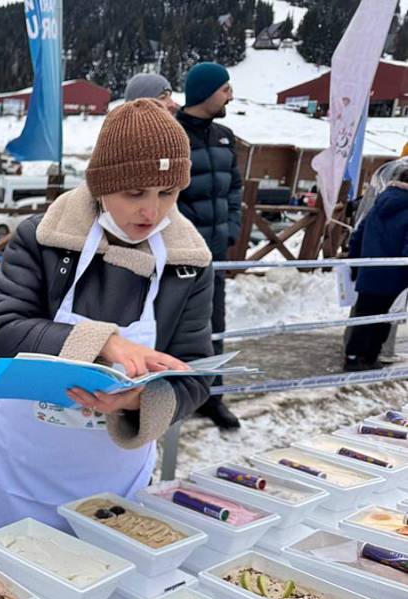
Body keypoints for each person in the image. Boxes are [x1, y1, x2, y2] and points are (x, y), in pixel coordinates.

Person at [0, 100, 214, 547]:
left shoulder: (187, 263)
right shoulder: (45, 238)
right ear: (101, 186)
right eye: (135, 193)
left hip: (107, 477)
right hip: (8, 466)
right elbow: (3, 330)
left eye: (168, 194)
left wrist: (140, 401)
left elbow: (194, 370)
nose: (151, 212)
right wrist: (107, 344)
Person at [176, 61, 243, 430]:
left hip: (215, 254)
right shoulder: (171, 134)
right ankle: (166, 395)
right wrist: (183, 236)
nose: (230, 95)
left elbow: (235, 187)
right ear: (205, 92)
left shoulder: (224, 135)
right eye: (224, 89)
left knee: (213, 325)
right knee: (172, 325)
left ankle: (212, 397)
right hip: (178, 254)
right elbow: (165, 195)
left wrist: (231, 227)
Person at [344, 166, 408, 370]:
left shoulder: (379, 202)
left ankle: (353, 356)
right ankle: (371, 356)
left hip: (369, 269)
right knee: (385, 316)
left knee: (364, 313)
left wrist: (355, 264)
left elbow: (358, 234)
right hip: (395, 274)